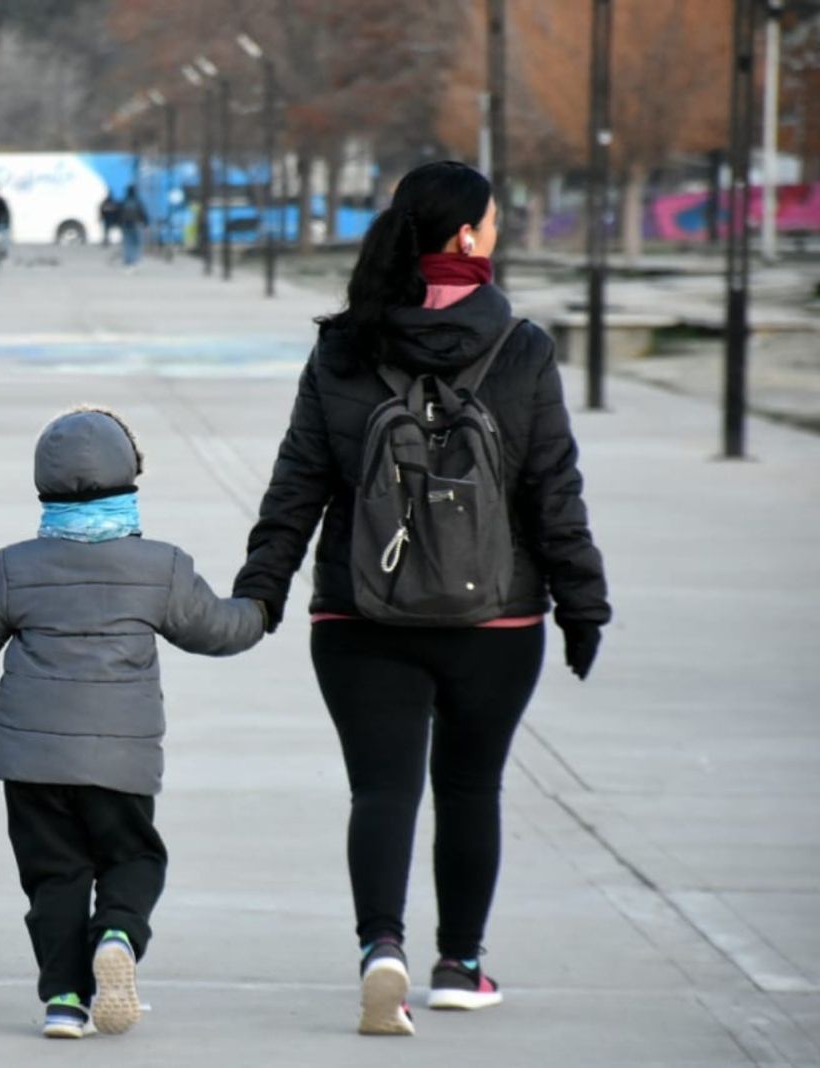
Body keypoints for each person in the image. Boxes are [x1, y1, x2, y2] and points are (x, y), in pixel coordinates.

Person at [232, 160, 610, 1037]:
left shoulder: (344, 345)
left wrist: (263, 591)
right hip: (499, 615)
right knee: (471, 789)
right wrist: (582, 606)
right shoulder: (522, 348)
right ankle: (461, 964)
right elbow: (554, 493)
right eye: (494, 219)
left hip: (362, 612)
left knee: (382, 790)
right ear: (467, 239)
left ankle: (381, 951)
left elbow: (298, 486)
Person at [0, 408, 266, 1040]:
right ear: (129, 481)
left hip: (32, 764)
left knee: (54, 877)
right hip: (121, 762)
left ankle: (65, 1000)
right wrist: (260, 607)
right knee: (133, 856)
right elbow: (218, 630)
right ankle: (118, 932)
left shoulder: (16, 568)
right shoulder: (161, 568)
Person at [118, 186, 147, 269]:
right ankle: (136, 259)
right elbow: (143, 213)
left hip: (125, 224)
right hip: (136, 224)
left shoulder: (124, 201)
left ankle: (128, 259)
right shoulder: (138, 201)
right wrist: (145, 223)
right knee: (137, 243)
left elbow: (119, 213)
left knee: (127, 243)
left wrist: (119, 223)